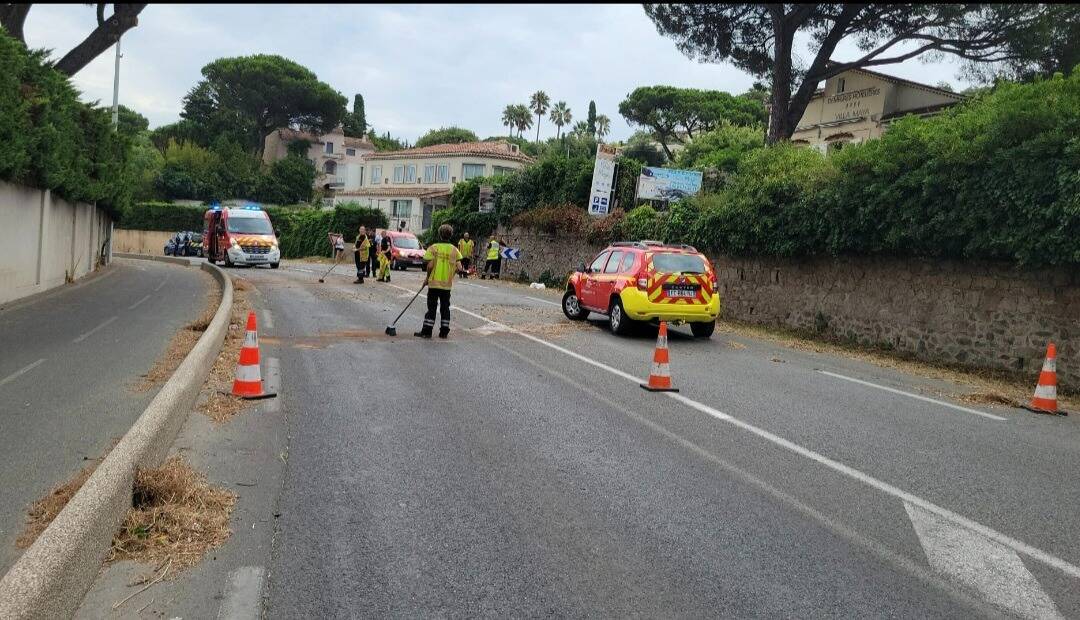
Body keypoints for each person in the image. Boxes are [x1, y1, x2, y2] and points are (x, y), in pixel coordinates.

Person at [415, 224, 462, 339]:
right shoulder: (454, 250)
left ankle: (427, 332)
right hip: (446, 286)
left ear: (439, 234)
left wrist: (427, 278)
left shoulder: (433, 248)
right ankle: (444, 332)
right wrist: (451, 274)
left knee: (432, 307)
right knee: (445, 308)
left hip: (434, 284)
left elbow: (430, 265)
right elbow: (459, 267)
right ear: (450, 235)